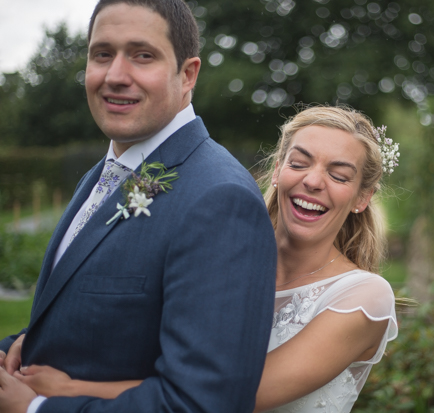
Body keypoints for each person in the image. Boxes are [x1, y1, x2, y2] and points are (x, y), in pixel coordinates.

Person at [7, 106, 398, 413]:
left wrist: (68, 391)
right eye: (299, 163)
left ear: (362, 198)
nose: (313, 181)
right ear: (277, 170)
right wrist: (48, 335)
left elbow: (229, 393)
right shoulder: (217, 249)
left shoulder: (364, 298)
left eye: (339, 175)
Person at [0, 0, 277, 412]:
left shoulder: (221, 199)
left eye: (142, 55)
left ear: (187, 74)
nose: (114, 76)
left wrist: (35, 409)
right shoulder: (102, 175)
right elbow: (78, 319)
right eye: (102, 54)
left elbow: (202, 402)